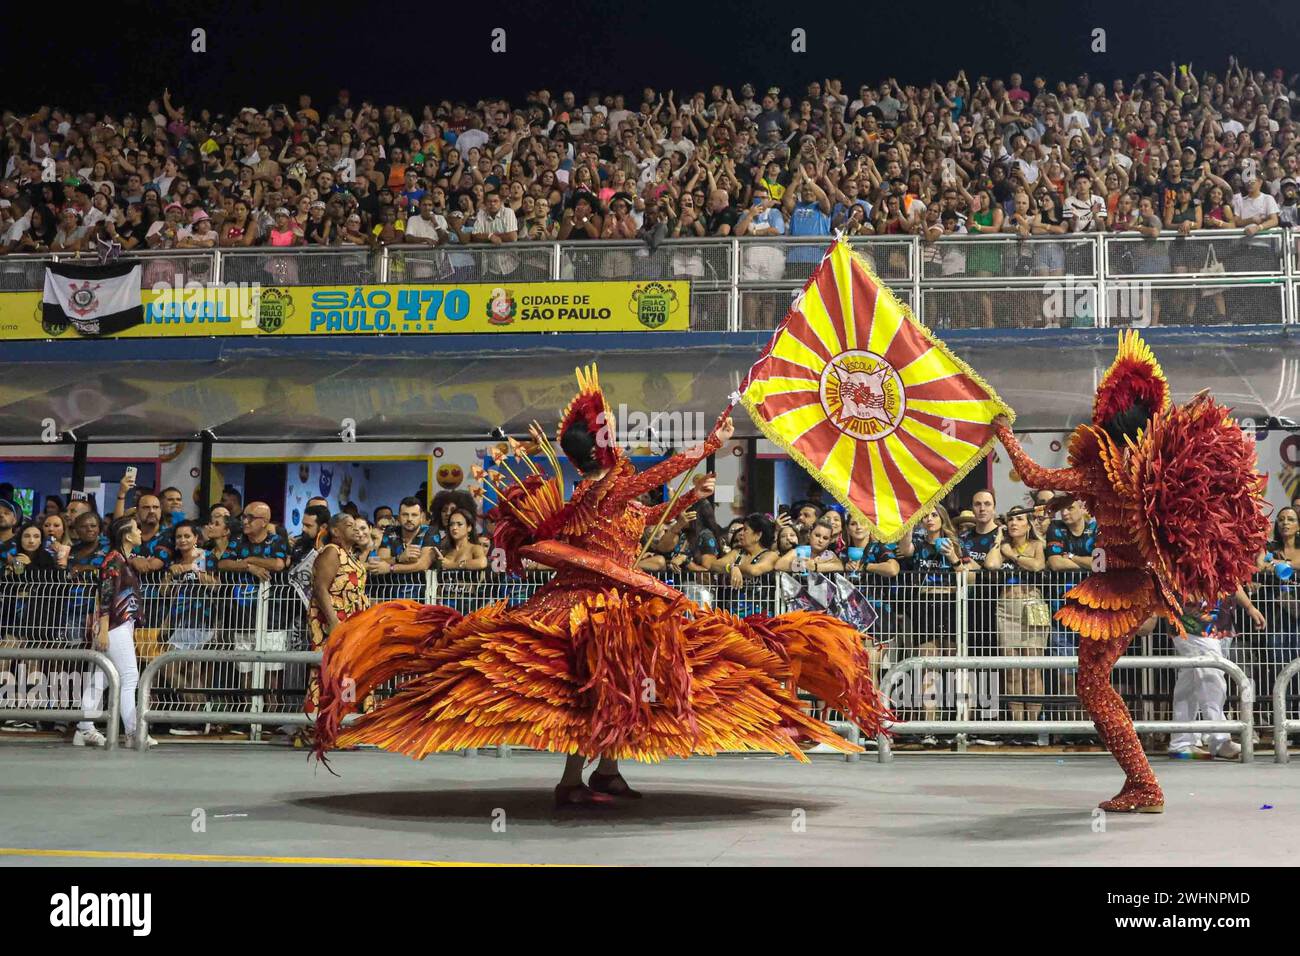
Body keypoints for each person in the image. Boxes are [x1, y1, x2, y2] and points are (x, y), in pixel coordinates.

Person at [311, 368, 888, 807]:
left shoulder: (598, 491)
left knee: (612, 689)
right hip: (593, 604)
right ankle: (570, 778)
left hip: (615, 596)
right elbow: (653, 480)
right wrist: (707, 442)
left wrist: (689, 497)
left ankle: (605, 771)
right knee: (588, 689)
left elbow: (640, 518)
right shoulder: (607, 484)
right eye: (611, 430)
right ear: (603, 446)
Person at [992, 330, 1268, 811]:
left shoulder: (1103, 469)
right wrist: (1068, 499)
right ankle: (1141, 780)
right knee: (1093, 681)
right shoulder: (1140, 466)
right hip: (1133, 584)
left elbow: (1035, 477)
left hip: (1116, 589)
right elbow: (1100, 496)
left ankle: (1144, 783)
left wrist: (1003, 433)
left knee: (1092, 683)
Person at [74, 517, 157, 748]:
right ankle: (132, 732)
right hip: (115, 625)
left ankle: (84, 727)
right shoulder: (113, 560)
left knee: (102, 678)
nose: (141, 531)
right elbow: (106, 593)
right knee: (130, 676)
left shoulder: (122, 558)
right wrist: (103, 628)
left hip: (121, 624)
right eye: (136, 528)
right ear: (127, 535)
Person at [1167, 587, 1264, 761]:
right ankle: (1219, 739)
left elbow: (1232, 579)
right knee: (1212, 677)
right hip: (1194, 622)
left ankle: (1180, 741)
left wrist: (1250, 607)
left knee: (1190, 682)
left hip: (1220, 622)